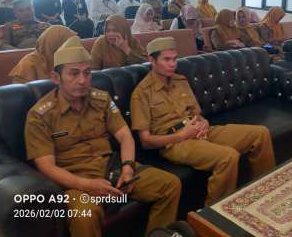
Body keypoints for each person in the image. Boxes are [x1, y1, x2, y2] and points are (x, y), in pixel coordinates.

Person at [24, 35, 181, 237]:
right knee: (86, 215)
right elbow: (46, 167)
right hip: (73, 180)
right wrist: (86, 185)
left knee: (169, 185)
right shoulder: (40, 115)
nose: (82, 80)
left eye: (87, 72)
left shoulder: (101, 99)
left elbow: (125, 136)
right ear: (56, 77)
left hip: (110, 167)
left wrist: (128, 168)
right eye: (74, 73)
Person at [130, 37, 275, 205]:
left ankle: (264, 192)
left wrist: (204, 123)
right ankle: (213, 213)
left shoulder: (180, 81)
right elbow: (146, 141)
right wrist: (182, 135)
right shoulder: (142, 93)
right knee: (228, 157)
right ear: (152, 60)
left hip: (199, 130)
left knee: (260, 134)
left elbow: (197, 114)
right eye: (166, 59)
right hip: (175, 143)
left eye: (175, 59)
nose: (172, 64)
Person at [9, 25, 76, 83]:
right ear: (54, 45)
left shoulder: (69, 59)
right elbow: (22, 92)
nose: (73, 48)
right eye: (69, 45)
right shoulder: (28, 63)